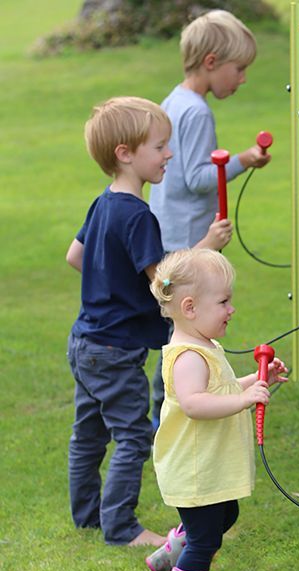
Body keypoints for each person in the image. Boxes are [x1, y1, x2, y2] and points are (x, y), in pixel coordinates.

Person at [65, 96, 213, 547]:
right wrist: (206, 246)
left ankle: (88, 515)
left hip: (85, 342)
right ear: (125, 154)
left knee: (88, 434)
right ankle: (121, 528)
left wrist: (112, 282)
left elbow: (76, 257)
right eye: (160, 146)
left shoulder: (103, 204)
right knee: (131, 436)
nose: (168, 154)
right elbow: (163, 283)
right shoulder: (138, 216)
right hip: (116, 352)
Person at [148, 9, 271, 430]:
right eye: (239, 70)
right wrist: (242, 160)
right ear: (212, 63)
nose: (242, 79)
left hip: (167, 228)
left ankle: (167, 408)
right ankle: (174, 409)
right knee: (186, 328)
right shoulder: (197, 111)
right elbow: (200, 178)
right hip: (187, 239)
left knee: (173, 328)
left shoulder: (174, 97)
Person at [145, 248, 287, 571]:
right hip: (195, 468)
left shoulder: (202, 344)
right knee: (206, 538)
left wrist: (256, 379)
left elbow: (219, 389)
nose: (231, 309)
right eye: (223, 301)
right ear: (190, 308)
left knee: (226, 515)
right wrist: (243, 400)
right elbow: (195, 403)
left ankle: (170, 555)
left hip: (206, 465)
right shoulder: (189, 357)